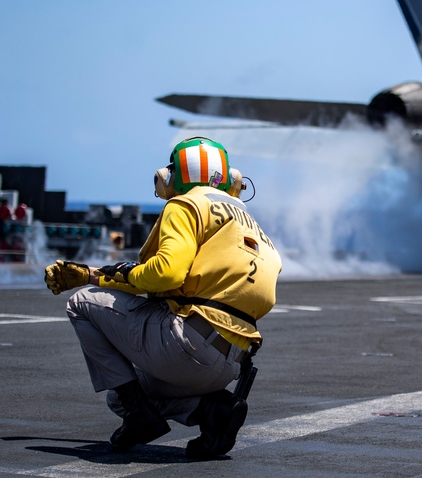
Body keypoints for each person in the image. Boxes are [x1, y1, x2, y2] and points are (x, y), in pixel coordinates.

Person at [44, 137, 281, 458]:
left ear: (169, 178)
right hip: (231, 364)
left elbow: (166, 273)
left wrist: (92, 275)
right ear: (232, 180)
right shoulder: (249, 222)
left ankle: (139, 415)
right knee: (118, 398)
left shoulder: (185, 205)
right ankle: (213, 410)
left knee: (82, 301)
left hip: (186, 347)